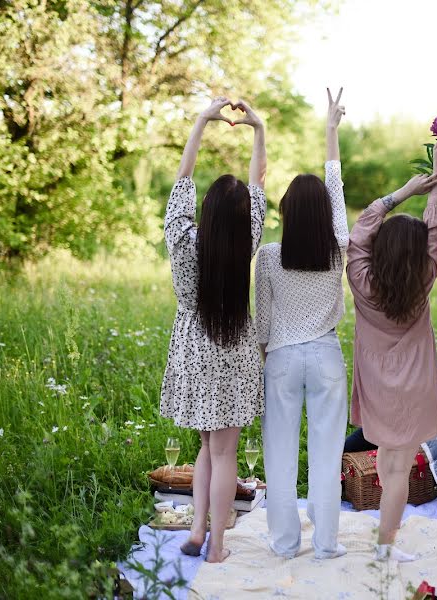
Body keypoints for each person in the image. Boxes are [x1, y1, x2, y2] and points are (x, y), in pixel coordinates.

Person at [160, 97, 267, 563]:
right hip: (234, 348)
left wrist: (202, 121)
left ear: (204, 210)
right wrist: (258, 131)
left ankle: (200, 530)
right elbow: (259, 182)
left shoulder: (184, 242)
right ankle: (217, 545)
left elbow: (182, 182)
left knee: (205, 445)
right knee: (224, 453)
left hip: (193, 348)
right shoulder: (248, 240)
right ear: (243, 218)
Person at [254, 88, 348, 560]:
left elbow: (264, 329)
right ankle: (327, 545)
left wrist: (266, 360)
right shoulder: (338, 250)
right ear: (328, 217)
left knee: (280, 455)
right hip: (326, 354)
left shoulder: (268, 257)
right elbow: (336, 187)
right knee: (328, 454)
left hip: (283, 358)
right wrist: (331, 131)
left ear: (287, 214)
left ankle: (285, 543)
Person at [346, 140, 437, 562]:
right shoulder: (424, 276)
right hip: (413, 386)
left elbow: (361, 230)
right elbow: (436, 226)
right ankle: (386, 546)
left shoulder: (361, 278)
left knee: (388, 462)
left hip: (376, 384)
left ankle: (384, 542)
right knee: (398, 469)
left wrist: (404, 192)